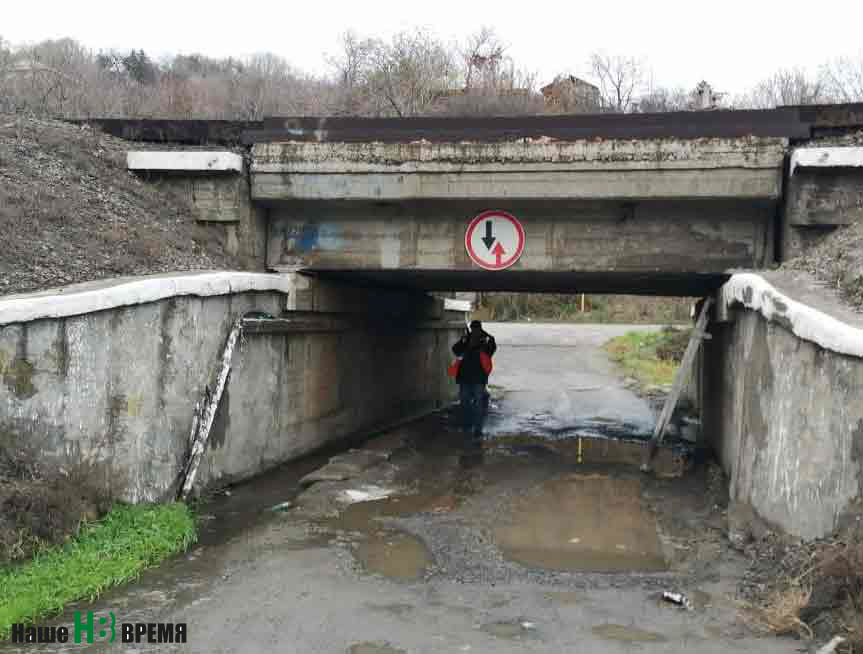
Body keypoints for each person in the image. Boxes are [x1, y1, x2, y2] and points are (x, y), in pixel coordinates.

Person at [452, 320, 497, 443]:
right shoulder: (466, 339)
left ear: (480, 329)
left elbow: (491, 351)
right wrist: (464, 340)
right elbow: (455, 350)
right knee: (464, 402)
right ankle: (467, 426)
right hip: (465, 377)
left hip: (478, 377)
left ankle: (478, 429)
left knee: (478, 404)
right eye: (473, 329)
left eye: (476, 329)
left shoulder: (486, 340)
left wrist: (485, 338)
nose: (475, 331)